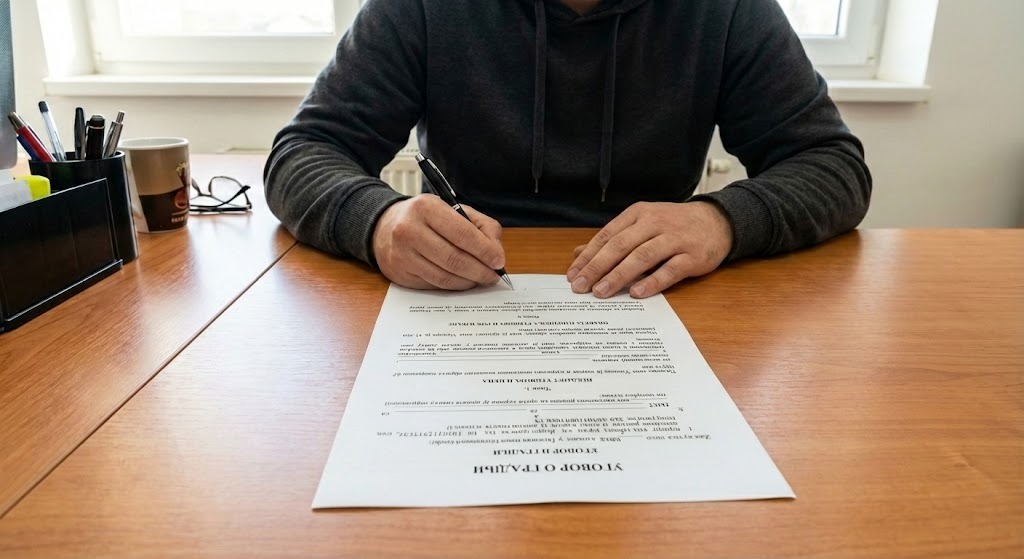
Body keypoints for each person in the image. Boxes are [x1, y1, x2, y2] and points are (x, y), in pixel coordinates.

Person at [264, 0, 871, 299]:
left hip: (655, 300)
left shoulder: (727, 10)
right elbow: (304, 152)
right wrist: (379, 220)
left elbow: (833, 166)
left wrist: (721, 221)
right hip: (462, 298)